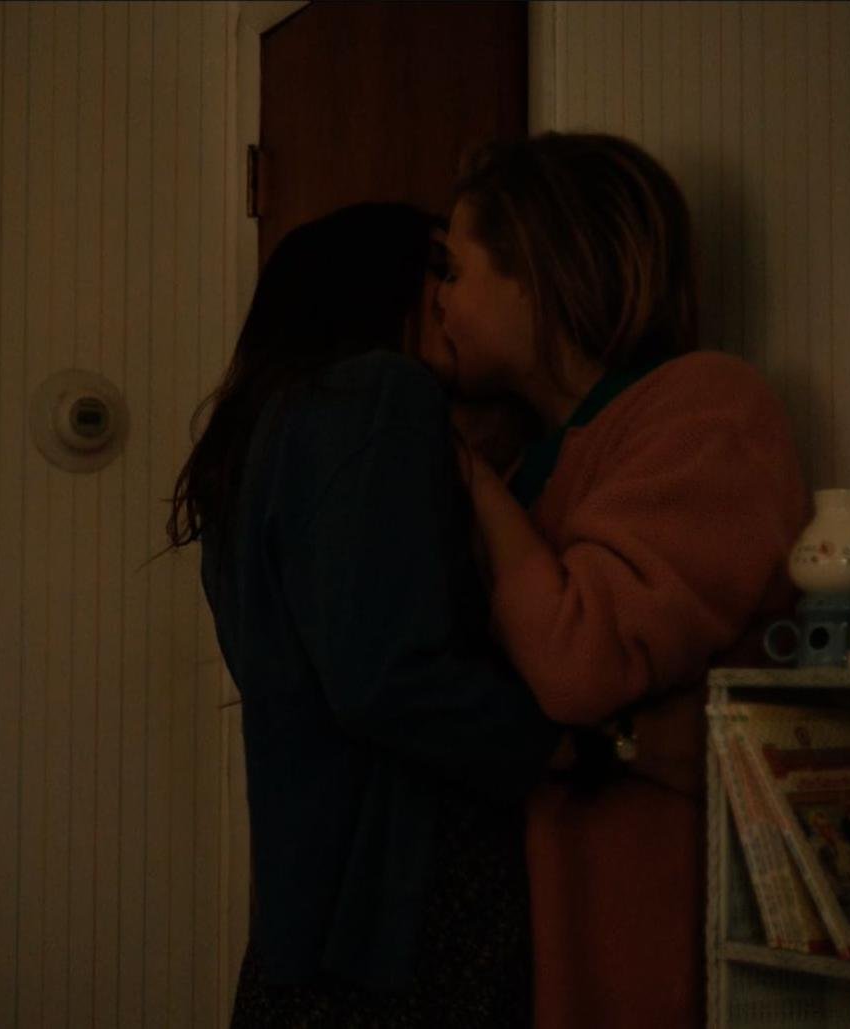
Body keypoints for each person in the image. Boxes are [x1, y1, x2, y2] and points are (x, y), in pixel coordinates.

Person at [421, 132, 810, 1029]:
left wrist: (469, 479)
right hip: (531, 929)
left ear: (540, 274)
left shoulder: (707, 407)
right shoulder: (529, 458)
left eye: (455, 269)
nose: (437, 299)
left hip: (644, 922)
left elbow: (580, 660)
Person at [168, 202, 559, 1027]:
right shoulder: (377, 392)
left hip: (308, 906)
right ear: (383, 289)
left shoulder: (262, 433)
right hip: (398, 901)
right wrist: (555, 743)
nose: (452, 300)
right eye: (440, 271)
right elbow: (384, 674)